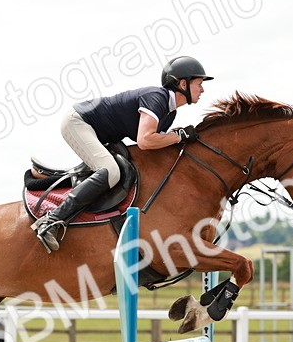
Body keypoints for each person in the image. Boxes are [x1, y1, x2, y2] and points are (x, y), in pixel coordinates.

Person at [31, 55, 213, 252]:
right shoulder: (157, 98)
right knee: (111, 171)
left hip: (100, 134)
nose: (202, 89)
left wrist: (178, 137)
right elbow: (145, 140)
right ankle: (51, 220)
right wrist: (178, 136)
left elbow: (153, 143)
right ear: (182, 84)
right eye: (199, 83)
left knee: (114, 169)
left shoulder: (170, 113)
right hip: (78, 122)